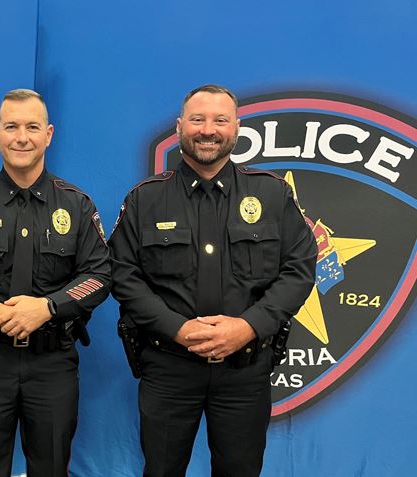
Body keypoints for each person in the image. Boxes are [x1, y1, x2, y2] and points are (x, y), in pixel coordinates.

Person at [109, 84, 317, 477]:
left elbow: (300, 267)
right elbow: (122, 272)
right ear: (179, 126)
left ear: (236, 128)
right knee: (161, 470)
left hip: (244, 370)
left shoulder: (271, 194)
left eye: (220, 120)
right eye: (198, 119)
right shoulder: (145, 199)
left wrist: (248, 326)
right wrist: (178, 328)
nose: (208, 130)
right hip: (169, 367)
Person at [0, 89, 110, 476]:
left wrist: (46, 308)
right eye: (11, 126)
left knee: (50, 468)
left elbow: (99, 276)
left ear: (49, 134)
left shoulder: (76, 205)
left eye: (32, 127)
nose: (21, 137)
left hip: (52, 362)